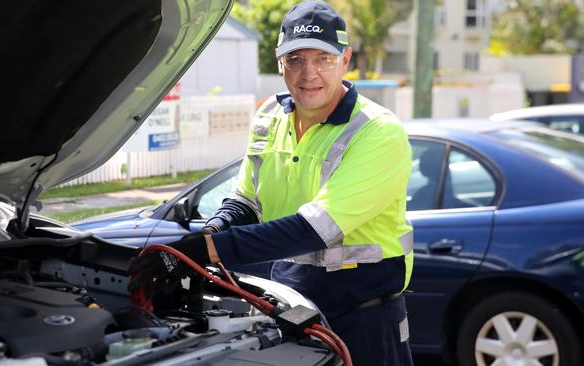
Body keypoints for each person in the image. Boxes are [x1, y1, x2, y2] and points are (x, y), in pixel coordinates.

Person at [129, 1, 414, 365]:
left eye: (322, 59)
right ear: (280, 63)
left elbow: (316, 229)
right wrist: (201, 239)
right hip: (291, 308)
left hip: (364, 320)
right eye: (295, 59)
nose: (307, 73)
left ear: (345, 60)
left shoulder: (377, 132)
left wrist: (205, 251)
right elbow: (246, 202)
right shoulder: (269, 118)